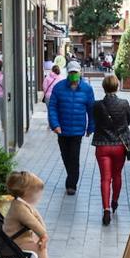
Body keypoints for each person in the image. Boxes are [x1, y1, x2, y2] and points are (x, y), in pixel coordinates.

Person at [3, 171, 63, 258]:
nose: (39, 197)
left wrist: (43, 234)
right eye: (37, 194)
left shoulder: (23, 204)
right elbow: (32, 223)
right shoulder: (19, 208)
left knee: (40, 243)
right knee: (40, 248)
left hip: (19, 238)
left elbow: (37, 218)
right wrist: (43, 235)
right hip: (14, 242)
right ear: (27, 193)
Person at [47, 60, 96, 195]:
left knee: (74, 157)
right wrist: (55, 125)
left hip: (77, 131)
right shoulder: (58, 87)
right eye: (71, 72)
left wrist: (91, 127)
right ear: (67, 73)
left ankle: (71, 185)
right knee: (65, 156)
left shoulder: (87, 89)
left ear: (79, 72)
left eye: (75, 72)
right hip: (62, 130)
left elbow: (91, 109)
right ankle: (71, 177)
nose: (73, 75)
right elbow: (52, 108)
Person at [92, 74, 130, 226]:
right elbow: (127, 122)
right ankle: (115, 201)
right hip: (119, 146)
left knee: (105, 178)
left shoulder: (97, 105)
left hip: (102, 146)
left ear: (103, 87)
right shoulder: (124, 104)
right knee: (117, 175)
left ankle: (106, 209)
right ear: (117, 86)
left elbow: (95, 121)